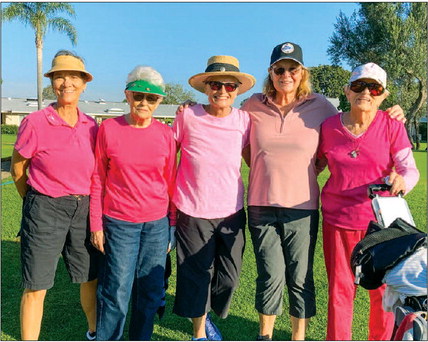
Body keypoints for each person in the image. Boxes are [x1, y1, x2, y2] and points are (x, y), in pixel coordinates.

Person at [239, 42, 406, 341]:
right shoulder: (253, 104)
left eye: (293, 69)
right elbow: (239, 141)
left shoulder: (321, 106)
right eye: (280, 68)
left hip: (306, 207)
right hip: (264, 206)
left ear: (302, 73)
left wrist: (395, 113)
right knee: (270, 274)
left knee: (302, 277)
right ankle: (264, 336)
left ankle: (298, 337)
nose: (286, 74)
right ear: (271, 72)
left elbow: (334, 142)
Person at [317, 62, 419, 340]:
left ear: (384, 95)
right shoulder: (327, 127)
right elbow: (314, 165)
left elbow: (409, 168)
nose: (366, 93)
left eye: (374, 88)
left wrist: (402, 181)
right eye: (358, 86)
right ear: (347, 91)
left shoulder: (392, 126)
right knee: (340, 289)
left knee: (383, 292)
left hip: (381, 225)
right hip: (338, 222)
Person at [10, 50, 99, 341]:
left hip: (83, 209)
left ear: (84, 83)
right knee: (36, 285)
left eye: (74, 77)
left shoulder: (92, 126)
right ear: (52, 82)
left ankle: (94, 332)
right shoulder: (35, 122)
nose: (67, 83)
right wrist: (36, 203)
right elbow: (17, 170)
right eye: (60, 76)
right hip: (44, 208)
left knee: (89, 277)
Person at [89, 65, 177, 341]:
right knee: (116, 290)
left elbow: (170, 181)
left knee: (149, 291)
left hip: (156, 224)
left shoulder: (166, 134)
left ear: (159, 101)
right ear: (127, 95)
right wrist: (96, 224)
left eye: (151, 98)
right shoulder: (109, 129)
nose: (143, 103)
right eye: (138, 95)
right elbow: (97, 178)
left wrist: (171, 225)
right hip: (119, 222)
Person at [172, 55, 255, 341]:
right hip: (192, 210)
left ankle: (208, 312)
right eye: (215, 84)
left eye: (229, 86)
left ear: (236, 90)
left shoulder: (244, 120)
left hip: (231, 211)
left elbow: (253, 157)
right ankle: (199, 332)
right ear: (206, 88)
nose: (222, 91)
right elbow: (169, 157)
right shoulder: (187, 115)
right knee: (196, 274)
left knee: (229, 277)